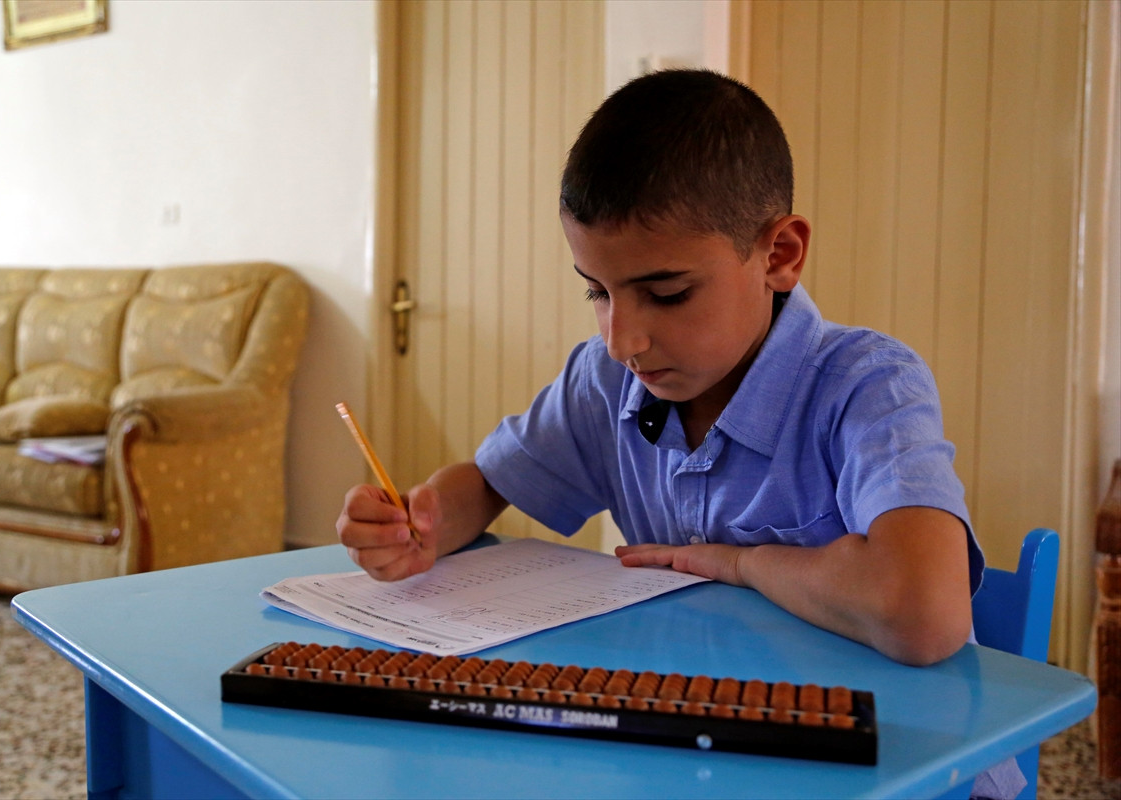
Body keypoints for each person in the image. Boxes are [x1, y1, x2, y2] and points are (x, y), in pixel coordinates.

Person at [337, 67, 1018, 800]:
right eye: (597, 291)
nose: (622, 339)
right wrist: (424, 525)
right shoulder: (607, 381)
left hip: (902, 771)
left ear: (780, 255)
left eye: (666, 293)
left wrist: (741, 564)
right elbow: (489, 482)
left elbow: (925, 614)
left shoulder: (866, 384)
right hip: (713, 757)